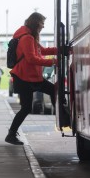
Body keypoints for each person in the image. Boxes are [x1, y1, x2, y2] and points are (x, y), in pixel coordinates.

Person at [5, 12, 57, 145]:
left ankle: (62, 116)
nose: (43, 26)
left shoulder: (30, 38)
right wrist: (51, 62)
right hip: (24, 78)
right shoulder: (27, 38)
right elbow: (31, 58)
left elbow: (43, 51)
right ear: (36, 23)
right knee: (26, 108)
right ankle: (11, 134)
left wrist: (61, 50)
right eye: (42, 23)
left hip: (33, 77)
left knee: (54, 90)